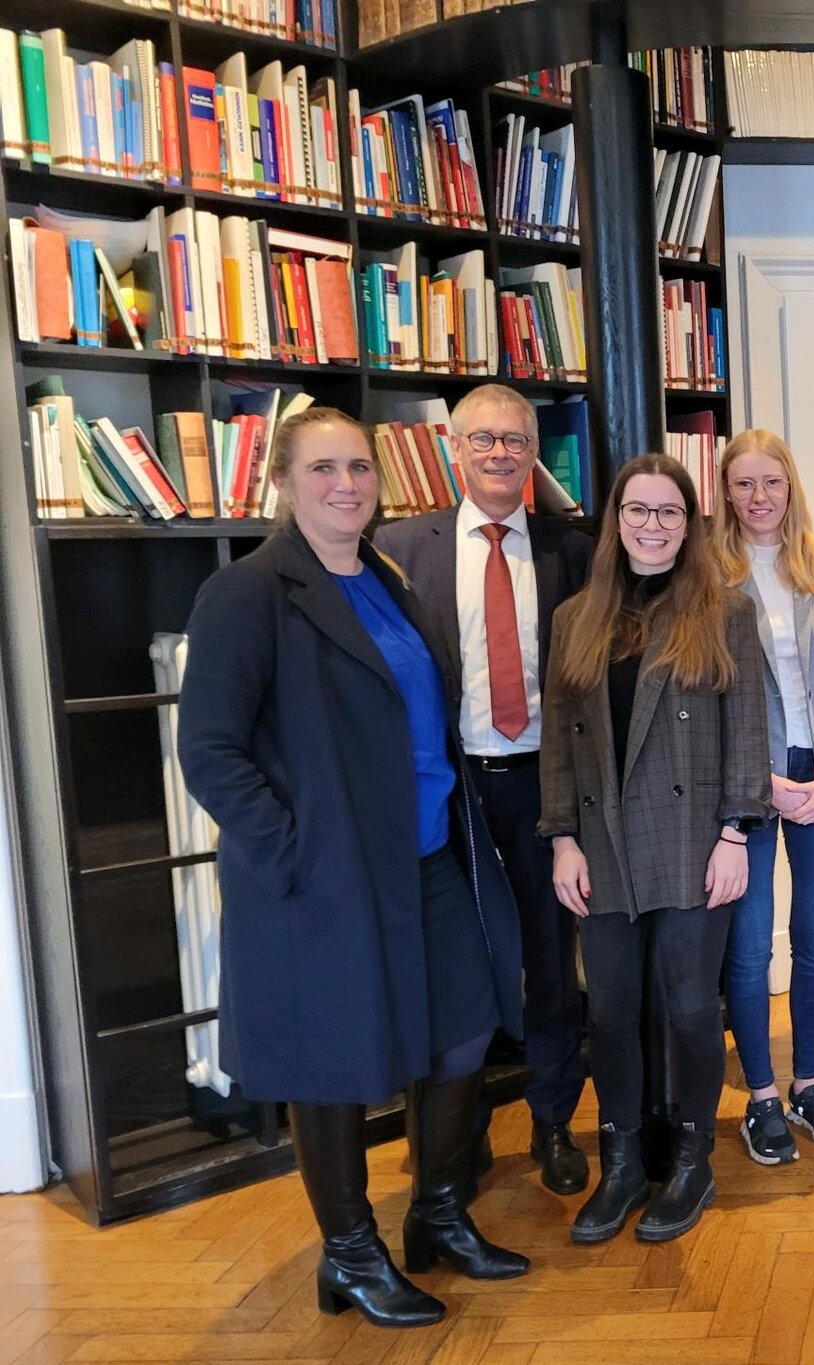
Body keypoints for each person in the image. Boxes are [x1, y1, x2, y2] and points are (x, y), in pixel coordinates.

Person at [178, 408, 528, 1330]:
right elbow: (209, 750)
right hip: (325, 874)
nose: (347, 484)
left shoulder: (385, 576)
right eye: (323, 468)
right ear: (283, 483)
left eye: (360, 467)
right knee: (330, 1060)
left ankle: (438, 1212)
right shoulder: (247, 593)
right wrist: (295, 850)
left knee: (463, 1031)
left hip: (426, 854)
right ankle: (350, 1251)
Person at [539, 454, 772, 1244]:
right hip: (599, 846)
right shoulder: (576, 618)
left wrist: (736, 833)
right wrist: (562, 838)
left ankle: (693, 1163)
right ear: (616, 521)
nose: (653, 525)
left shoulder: (724, 609)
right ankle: (624, 1162)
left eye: (669, 511)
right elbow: (560, 741)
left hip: (694, 842)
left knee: (690, 1006)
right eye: (637, 510)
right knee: (609, 1011)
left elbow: (747, 731)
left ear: (689, 523)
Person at [375, 384, 596, 1198]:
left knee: (550, 959)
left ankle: (552, 1122)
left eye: (515, 440)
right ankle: (453, 1141)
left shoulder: (572, 550)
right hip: (453, 787)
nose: (501, 453)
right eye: (484, 439)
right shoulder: (401, 549)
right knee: (456, 963)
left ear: (534, 452)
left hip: (547, 784)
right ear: (454, 449)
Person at [716, 430, 814, 1163]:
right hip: (748, 781)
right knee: (750, 947)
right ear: (726, 492)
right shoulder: (707, 573)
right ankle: (760, 1097)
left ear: (791, 487)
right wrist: (761, 777)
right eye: (744, 483)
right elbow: (705, 691)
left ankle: (808, 1083)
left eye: (772, 482)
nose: (759, 497)